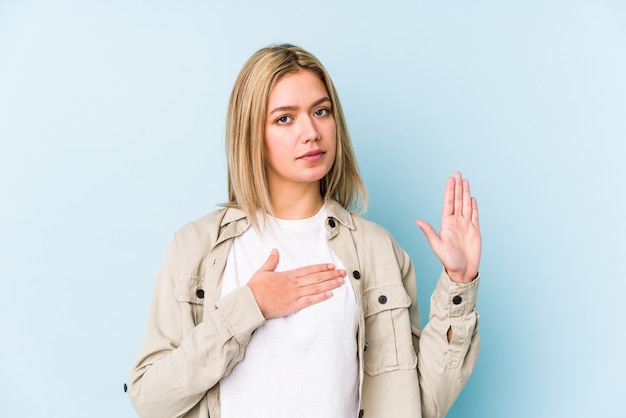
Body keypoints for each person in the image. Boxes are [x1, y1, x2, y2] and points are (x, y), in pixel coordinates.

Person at [127, 43, 481, 418]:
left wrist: (459, 281)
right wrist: (249, 307)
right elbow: (151, 400)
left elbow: (417, 405)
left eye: (321, 111)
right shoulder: (195, 248)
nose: (311, 132)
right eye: (284, 118)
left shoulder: (377, 250)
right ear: (251, 135)